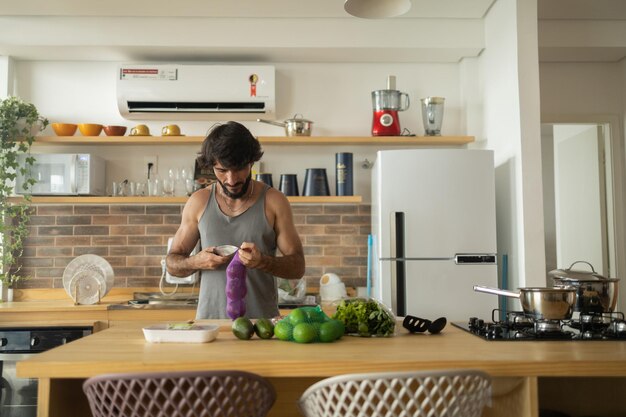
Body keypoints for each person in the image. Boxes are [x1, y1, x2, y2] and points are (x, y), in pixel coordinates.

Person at [166, 121, 305, 319]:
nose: (231, 180)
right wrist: (197, 261)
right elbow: (172, 264)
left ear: (251, 162)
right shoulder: (198, 202)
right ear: (211, 166)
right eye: (222, 170)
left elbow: (298, 267)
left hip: (262, 328)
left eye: (239, 168)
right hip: (210, 326)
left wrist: (262, 261)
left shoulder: (274, 201)